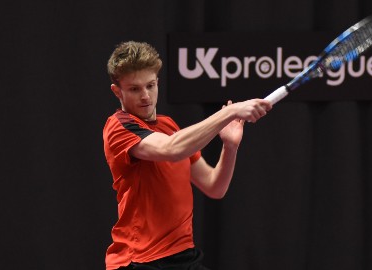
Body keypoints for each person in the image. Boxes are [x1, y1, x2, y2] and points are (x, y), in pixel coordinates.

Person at [103, 41, 272, 270]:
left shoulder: (168, 125)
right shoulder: (118, 127)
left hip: (184, 257)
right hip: (141, 261)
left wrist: (230, 147)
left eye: (150, 85)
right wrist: (231, 111)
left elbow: (214, 186)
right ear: (117, 91)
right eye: (134, 89)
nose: (145, 96)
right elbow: (171, 150)